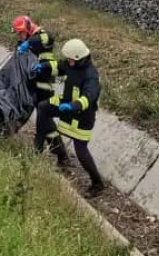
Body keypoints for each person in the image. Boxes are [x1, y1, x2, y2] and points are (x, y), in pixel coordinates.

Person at [34, 39, 104, 196]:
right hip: (66, 103)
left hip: (81, 115)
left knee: (81, 150)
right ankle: (38, 149)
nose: (68, 61)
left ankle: (97, 183)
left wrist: (74, 106)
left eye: (70, 59)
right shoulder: (72, 64)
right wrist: (43, 67)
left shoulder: (91, 76)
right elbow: (57, 66)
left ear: (79, 58)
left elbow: (89, 97)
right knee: (43, 108)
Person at [12, 15, 68, 163]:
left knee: (43, 121)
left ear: (28, 28)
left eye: (21, 32)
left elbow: (47, 38)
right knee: (46, 122)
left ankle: (39, 152)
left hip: (44, 86)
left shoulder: (42, 36)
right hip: (34, 85)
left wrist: (27, 43)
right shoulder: (27, 41)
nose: (20, 36)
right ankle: (61, 155)